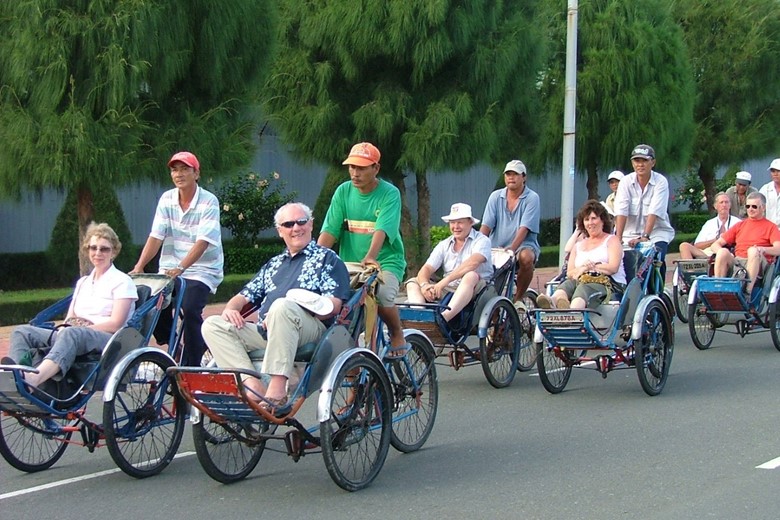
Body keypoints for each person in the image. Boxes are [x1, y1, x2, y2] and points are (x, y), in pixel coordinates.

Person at [202, 202, 350, 409]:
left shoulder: (328, 259)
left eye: (301, 222)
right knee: (212, 325)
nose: (296, 228)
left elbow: (333, 306)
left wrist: (298, 304)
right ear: (280, 231)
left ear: (311, 225)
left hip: (310, 330)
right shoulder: (273, 264)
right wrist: (231, 309)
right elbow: (243, 296)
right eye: (288, 224)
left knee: (282, 307)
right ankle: (251, 384)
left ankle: (277, 388)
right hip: (268, 331)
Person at [3, 223, 137, 387]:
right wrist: (64, 328)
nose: (97, 253)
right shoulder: (83, 282)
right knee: (22, 332)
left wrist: (80, 330)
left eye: (104, 249)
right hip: (75, 332)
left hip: (107, 338)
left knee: (71, 333)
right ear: (87, 250)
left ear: (114, 252)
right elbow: (70, 317)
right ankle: (17, 375)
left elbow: (116, 323)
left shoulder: (122, 281)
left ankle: (33, 380)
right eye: (93, 248)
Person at [131, 151, 224, 367]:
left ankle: (193, 361)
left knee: (190, 308)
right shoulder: (166, 199)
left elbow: (203, 241)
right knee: (149, 302)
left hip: (203, 269)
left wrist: (182, 267)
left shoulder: (209, 201)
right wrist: (139, 266)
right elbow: (156, 236)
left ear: (196, 173)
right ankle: (171, 343)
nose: (179, 174)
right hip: (169, 268)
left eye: (184, 169)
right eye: (174, 169)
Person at [318, 142, 409, 356]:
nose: (355, 173)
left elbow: (382, 229)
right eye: (352, 167)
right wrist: (314, 259)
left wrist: (370, 256)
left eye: (361, 168)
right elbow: (330, 230)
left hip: (385, 261)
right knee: (342, 309)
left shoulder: (390, 193)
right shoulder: (343, 191)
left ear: (375, 168)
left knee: (384, 295)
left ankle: (396, 332)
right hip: (350, 263)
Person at [406, 203, 493, 322]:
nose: (455, 226)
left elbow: (472, 263)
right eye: (452, 222)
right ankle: (420, 318)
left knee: (470, 275)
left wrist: (443, 282)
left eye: (460, 222)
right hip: (449, 288)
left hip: (477, 289)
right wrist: (424, 286)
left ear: (470, 222)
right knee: (412, 282)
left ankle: (444, 318)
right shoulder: (444, 244)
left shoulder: (482, 240)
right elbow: (426, 269)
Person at [536, 200, 625, 309]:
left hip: (608, 283)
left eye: (594, 218)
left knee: (583, 288)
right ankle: (554, 302)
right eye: (587, 219)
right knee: (567, 285)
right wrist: (583, 268)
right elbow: (570, 273)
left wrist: (589, 267)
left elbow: (613, 267)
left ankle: (572, 313)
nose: (590, 223)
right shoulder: (578, 245)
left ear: (602, 220)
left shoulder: (612, 240)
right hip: (581, 279)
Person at [479, 159, 541, 304]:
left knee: (526, 257)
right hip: (497, 247)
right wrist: (477, 246)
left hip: (522, 246)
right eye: (508, 174)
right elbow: (486, 226)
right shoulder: (495, 196)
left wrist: (511, 249)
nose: (511, 177)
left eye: (515, 174)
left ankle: (518, 299)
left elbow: (524, 228)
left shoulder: (532, 198)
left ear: (524, 177)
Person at [614, 144, 675, 280]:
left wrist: (645, 236)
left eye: (644, 161)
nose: (640, 165)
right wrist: (618, 238)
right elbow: (621, 210)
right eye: (637, 161)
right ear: (632, 163)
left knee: (656, 258)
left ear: (652, 162)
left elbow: (654, 211)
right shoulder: (625, 181)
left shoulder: (660, 182)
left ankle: (657, 293)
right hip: (628, 234)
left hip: (656, 233)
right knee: (618, 261)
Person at [710, 192, 780, 298]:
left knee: (753, 250)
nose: (750, 209)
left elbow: (778, 249)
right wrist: (722, 251)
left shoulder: (771, 227)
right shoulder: (740, 225)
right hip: (738, 262)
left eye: (754, 206)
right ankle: (718, 290)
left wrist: (763, 249)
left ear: (763, 208)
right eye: (748, 206)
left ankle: (747, 292)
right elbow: (716, 244)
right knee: (722, 252)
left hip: (759, 261)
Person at [679, 192, 741, 259]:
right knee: (684, 246)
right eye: (721, 202)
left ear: (730, 205)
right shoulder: (709, 223)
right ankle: (690, 269)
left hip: (729, 254)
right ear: (715, 206)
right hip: (708, 254)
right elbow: (697, 245)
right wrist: (715, 240)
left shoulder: (737, 222)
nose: (724, 205)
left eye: (726, 202)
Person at [758, 159, 780, 227]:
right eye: (773, 171)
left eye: (778, 171)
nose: (775, 174)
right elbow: (757, 208)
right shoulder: (765, 189)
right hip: (768, 228)